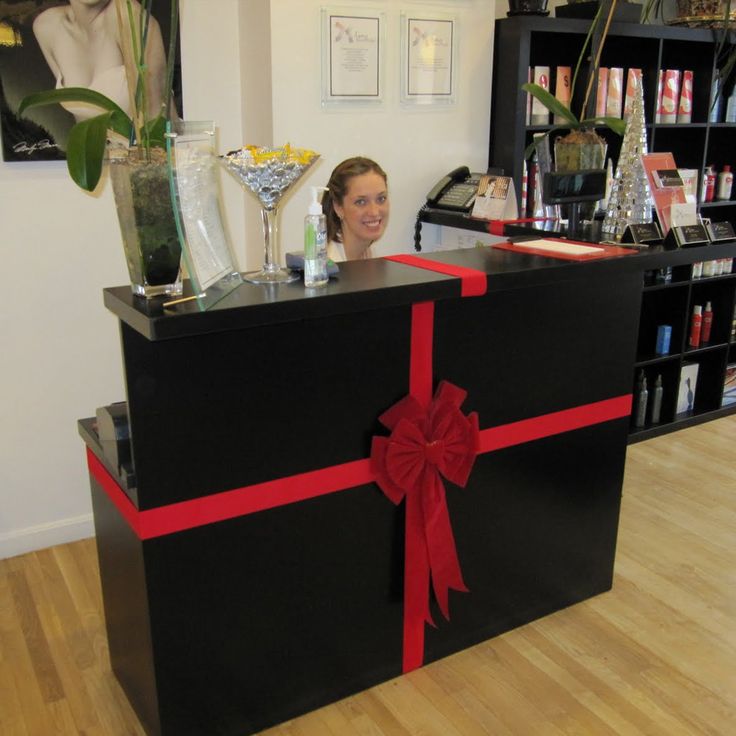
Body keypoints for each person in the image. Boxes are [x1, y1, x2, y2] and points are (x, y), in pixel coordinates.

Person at [32, 0, 168, 123]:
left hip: (152, 148)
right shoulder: (47, 26)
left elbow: (156, 122)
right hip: (99, 150)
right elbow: (83, 127)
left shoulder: (128, 15)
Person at [322, 157, 389, 261]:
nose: (374, 212)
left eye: (381, 199)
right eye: (361, 202)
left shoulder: (368, 253)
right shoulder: (329, 265)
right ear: (338, 207)